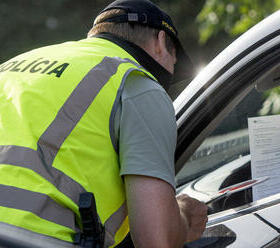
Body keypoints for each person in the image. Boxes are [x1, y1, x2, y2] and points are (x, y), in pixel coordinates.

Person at [0, 0, 208, 247]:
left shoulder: (15, 65)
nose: (169, 76)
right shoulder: (136, 83)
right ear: (161, 42)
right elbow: (156, 240)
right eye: (174, 64)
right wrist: (184, 215)